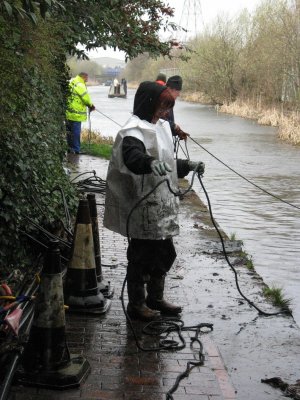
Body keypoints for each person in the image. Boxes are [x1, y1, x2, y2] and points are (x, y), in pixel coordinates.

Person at [103, 81, 205, 321]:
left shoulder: (161, 127)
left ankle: (155, 298)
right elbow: (134, 157)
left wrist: (187, 166)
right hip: (141, 205)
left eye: (168, 108)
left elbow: (167, 162)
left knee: (165, 252)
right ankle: (136, 304)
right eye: (162, 107)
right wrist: (149, 163)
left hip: (162, 203)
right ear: (149, 103)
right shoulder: (132, 131)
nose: (165, 112)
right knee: (140, 256)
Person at [66, 72, 95, 154]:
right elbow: (86, 99)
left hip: (68, 112)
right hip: (76, 114)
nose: (87, 80)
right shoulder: (80, 85)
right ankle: (76, 150)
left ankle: (70, 149)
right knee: (75, 133)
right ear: (84, 77)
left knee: (69, 132)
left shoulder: (72, 82)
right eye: (87, 78)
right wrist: (91, 105)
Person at [166, 75, 189, 141]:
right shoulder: (163, 101)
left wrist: (177, 131)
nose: (179, 95)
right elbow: (161, 121)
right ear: (170, 90)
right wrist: (174, 127)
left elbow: (167, 120)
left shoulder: (169, 100)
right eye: (177, 92)